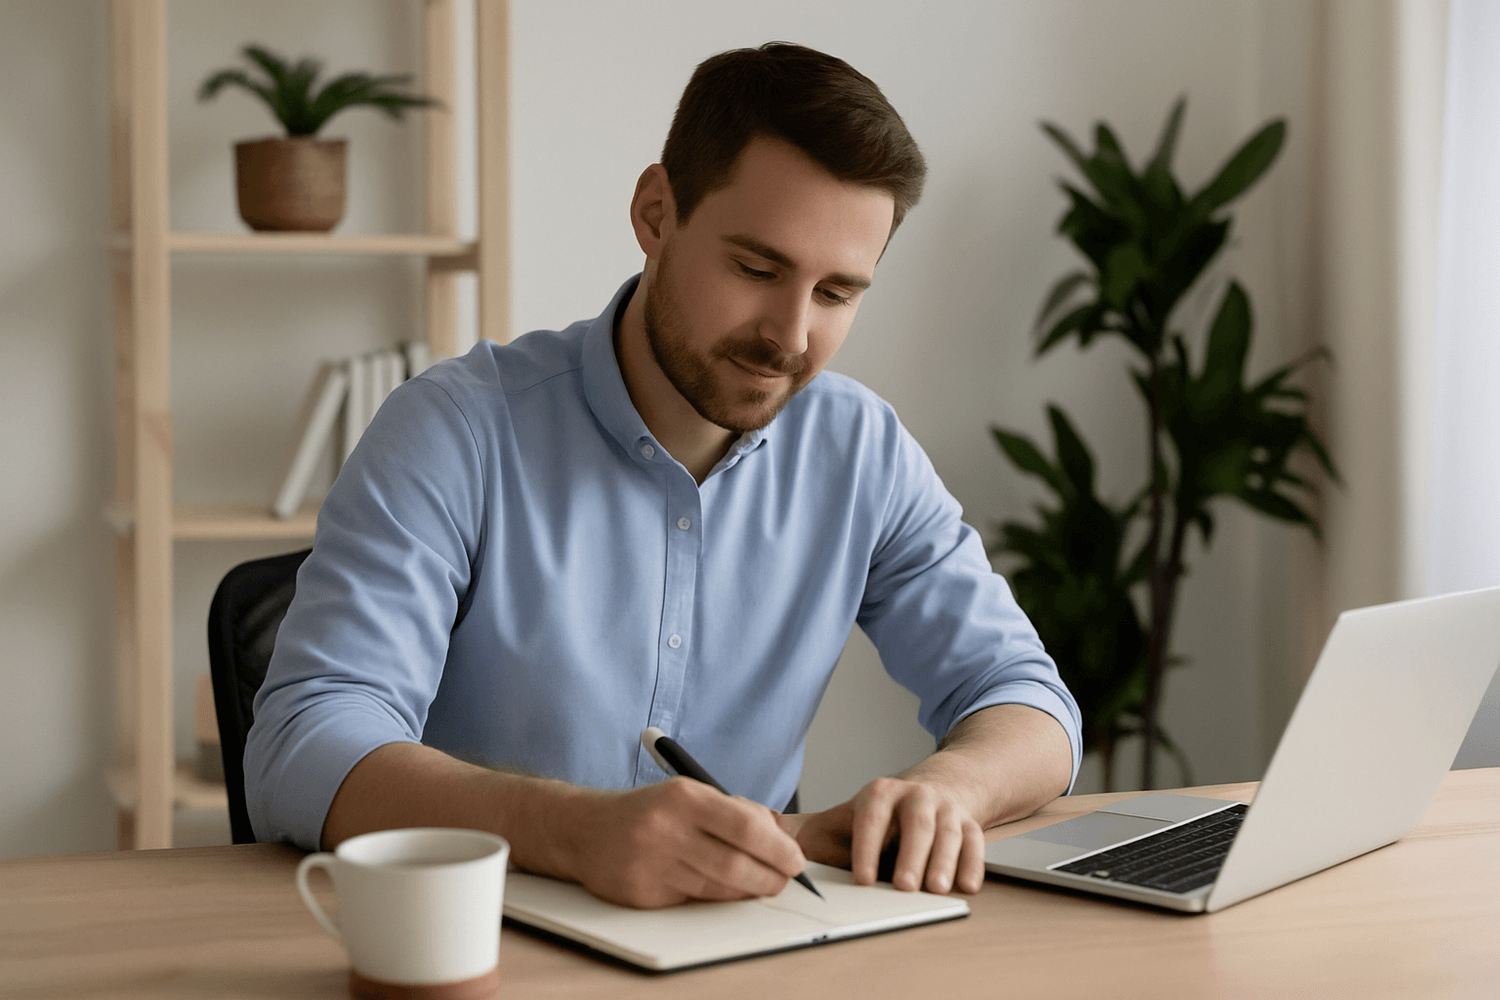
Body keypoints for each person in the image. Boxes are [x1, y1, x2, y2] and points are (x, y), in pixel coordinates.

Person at [245, 42, 1080, 910]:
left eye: (836, 294)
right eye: (757, 269)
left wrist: (949, 794)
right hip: (481, 940)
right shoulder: (456, 431)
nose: (791, 337)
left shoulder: (860, 450)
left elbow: (1026, 698)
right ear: (655, 214)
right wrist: (571, 831)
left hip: (742, 945)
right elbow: (302, 744)